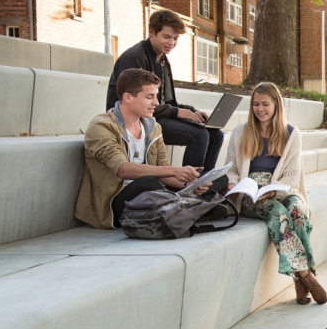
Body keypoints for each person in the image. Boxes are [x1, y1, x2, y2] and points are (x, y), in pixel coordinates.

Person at [76, 68, 220, 229]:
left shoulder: (153, 127)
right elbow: (122, 169)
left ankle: (187, 207)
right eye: (149, 97)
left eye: (156, 96)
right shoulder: (102, 126)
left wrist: (189, 185)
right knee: (148, 182)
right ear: (128, 97)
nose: (156, 103)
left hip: (151, 196)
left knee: (218, 180)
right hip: (114, 205)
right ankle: (192, 209)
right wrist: (175, 171)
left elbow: (163, 171)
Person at [225, 83, 327, 305]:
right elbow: (232, 168)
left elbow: (292, 173)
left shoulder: (291, 133)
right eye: (255, 104)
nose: (259, 109)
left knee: (298, 214)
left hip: (283, 189)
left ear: (276, 105)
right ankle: (306, 276)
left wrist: (273, 189)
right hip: (252, 194)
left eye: (265, 104)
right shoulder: (241, 132)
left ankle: (301, 284)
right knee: (279, 215)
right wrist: (233, 184)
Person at [106, 10, 223, 174]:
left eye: (175, 38)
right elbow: (134, 103)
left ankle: (204, 182)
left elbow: (166, 102)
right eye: (167, 37)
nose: (171, 43)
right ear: (152, 33)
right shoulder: (134, 57)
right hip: (133, 120)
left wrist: (191, 111)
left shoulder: (162, 59)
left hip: (154, 115)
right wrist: (176, 112)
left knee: (216, 134)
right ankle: (189, 187)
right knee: (199, 135)